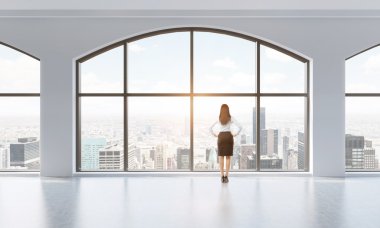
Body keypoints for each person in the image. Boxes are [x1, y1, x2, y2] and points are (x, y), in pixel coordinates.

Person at [209, 104, 242, 183]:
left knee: (221, 157)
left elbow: (210, 128)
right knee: (228, 157)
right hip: (228, 137)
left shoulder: (218, 118)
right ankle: (226, 176)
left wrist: (215, 134)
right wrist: (235, 134)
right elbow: (240, 126)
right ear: (228, 110)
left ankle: (222, 177)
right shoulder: (230, 118)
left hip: (221, 137)